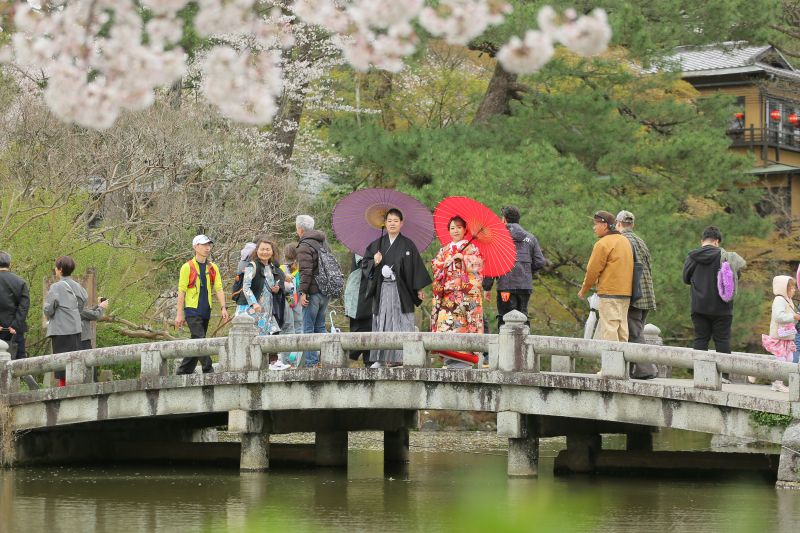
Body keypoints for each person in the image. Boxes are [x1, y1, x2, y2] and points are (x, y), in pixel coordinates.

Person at [362, 209, 432, 367]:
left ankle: (401, 357)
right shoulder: (376, 245)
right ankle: (380, 359)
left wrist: (419, 288)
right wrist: (375, 262)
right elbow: (365, 265)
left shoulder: (408, 244)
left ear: (401, 223)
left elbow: (415, 267)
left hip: (402, 290)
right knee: (382, 321)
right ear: (385, 223)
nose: (392, 224)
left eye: (395, 221)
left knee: (401, 321)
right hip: (382, 289)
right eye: (389, 221)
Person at [682, 226, 746, 384]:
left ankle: (700, 374)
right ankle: (724, 376)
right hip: (723, 307)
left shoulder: (693, 257)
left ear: (702, 241)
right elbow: (736, 277)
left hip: (699, 306)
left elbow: (685, 278)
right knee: (722, 340)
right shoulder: (726, 257)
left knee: (700, 339)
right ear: (717, 241)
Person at [431, 216, 485, 369]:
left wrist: (465, 258)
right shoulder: (444, 250)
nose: (455, 231)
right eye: (452, 228)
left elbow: (480, 265)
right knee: (444, 324)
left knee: (463, 326)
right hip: (448, 296)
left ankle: (464, 361)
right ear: (448, 231)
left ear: (465, 230)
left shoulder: (472, 249)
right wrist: (444, 264)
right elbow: (435, 265)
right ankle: (448, 359)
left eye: (459, 227)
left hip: (465, 297)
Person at [482, 205, 545, 330]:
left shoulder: (497, 238)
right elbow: (540, 262)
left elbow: (491, 264)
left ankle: (506, 343)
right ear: (518, 219)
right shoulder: (530, 238)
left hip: (506, 286)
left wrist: (487, 287)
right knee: (523, 318)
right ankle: (523, 342)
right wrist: (526, 271)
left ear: (504, 219)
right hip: (525, 287)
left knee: (505, 319)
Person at [175, 234, 229, 375]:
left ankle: (184, 371)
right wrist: (179, 314)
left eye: (208, 245)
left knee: (196, 340)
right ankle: (208, 369)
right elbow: (181, 290)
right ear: (195, 247)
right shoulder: (187, 267)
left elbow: (219, 288)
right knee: (200, 339)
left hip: (206, 309)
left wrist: (223, 307)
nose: (207, 247)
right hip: (192, 309)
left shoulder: (212, 267)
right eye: (204, 245)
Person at [235, 235, 290, 370]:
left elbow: (269, 286)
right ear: (257, 251)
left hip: (266, 308)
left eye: (268, 249)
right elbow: (246, 287)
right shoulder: (252, 265)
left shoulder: (271, 267)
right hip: (251, 309)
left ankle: (273, 362)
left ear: (272, 252)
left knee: (274, 331)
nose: (265, 252)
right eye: (262, 249)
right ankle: (254, 364)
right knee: (254, 337)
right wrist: (254, 303)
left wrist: (276, 289)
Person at [578, 211, 633, 342]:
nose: (594, 228)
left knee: (610, 332)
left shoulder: (603, 244)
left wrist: (584, 290)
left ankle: (611, 356)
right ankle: (623, 357)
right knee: (622, 332)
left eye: (596, 224)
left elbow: (592, 271)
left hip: (609, 294)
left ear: (605, 225)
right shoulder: (625, 242)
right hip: (626, 294)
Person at [617, 211, 658, 380]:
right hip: (647, 293)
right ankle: (633, 370)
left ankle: (646, 370)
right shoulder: (641, 241)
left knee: (633, 333)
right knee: (636, 331)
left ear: (618, 223)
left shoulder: (621, 241)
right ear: (632, 225)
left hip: (633, 293)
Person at [43, 256, 88, 387]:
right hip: (76, 328)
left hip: (60, 329)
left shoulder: (56, 287)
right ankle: (75, 388)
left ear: (60, 269)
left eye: (56, 267)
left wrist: (47, 311)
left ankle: (63, 390)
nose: (55, 269)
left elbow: (49, 309)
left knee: (61, 364)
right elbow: (83, 304)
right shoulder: (78, 286)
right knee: (74, 362)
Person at [296, 215, 332, 368]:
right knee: (321, 327)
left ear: (300, 229)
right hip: (326, 292)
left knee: (308, 329)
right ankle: (328, 359)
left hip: (312, 293)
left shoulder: (305, 245)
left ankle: (312, 363)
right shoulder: (324, 242)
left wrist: (302, 292)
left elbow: (306, 270)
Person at [0, 250, 38, 390]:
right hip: (15, 329)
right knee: (20, 357)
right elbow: (24, 305)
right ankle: (26, 376)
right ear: (9, 264)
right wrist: (15, 325)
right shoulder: (20, 281)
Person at [762, 276, 799, 393]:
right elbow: (778, 316)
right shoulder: (779, 300)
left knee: (790, 359)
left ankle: (779, 382)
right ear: (784, 289)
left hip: (787, 336)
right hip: (779, 336)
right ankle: (777, 383)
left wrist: (795, 316)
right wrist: (794, 316)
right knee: (782, 360)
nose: (794, 290)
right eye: (791, 288)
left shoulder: (788, 300)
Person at [344, 253, 373, 367]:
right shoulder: (361, 248)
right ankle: (340, 353)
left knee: (371, 327)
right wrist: (377, 261)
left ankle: (370, 363)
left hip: (370, 292)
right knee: (359, 329)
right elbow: (365, 265)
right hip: (359, 291)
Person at [279, 243, 303, 368]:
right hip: (299, 305)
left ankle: (286, 363)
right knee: (299, 333)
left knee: (285, 333)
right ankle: (297, 364)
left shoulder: (281, 269)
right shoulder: (301, 268)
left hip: (284, 305)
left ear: (285, 254)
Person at [80, 296, 109, 382]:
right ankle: (93, 382)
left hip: (81, 338)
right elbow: (95, 315)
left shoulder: (73, 306)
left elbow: (87, 313)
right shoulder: (77, 307)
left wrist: (98, 306)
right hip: (83, 339)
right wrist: (101, 307)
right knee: (89, 362)